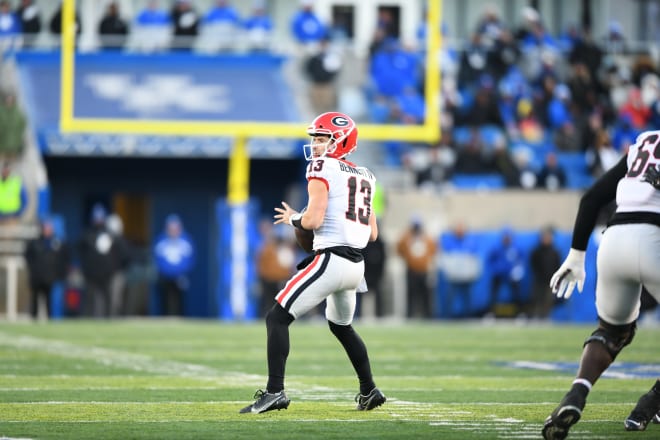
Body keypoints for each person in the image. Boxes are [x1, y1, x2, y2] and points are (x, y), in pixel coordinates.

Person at [240, 112, 386, 414]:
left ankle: (274, 391)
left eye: (322, 138)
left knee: (276, 317)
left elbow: (314, 220)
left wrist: (295, 217)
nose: (316, 145)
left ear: (340, 141)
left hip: (332, 261)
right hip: (355, 268)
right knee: (342, 327)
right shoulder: (367, 176)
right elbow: (372, 234)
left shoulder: (322, 167)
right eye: (315, 139)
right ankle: (369, 390)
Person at [542, 129, 660, 439]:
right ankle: (651, 403)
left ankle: (576, 394)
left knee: (611, 333)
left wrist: (576, 255)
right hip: (655, 238)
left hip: (615, 239)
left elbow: (592, 197)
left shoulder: (645, 141)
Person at [24, 217, 71, 320]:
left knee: (48, 301)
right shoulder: (35, 242)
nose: (48, 230)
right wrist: (33, 269)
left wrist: (58, 273)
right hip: (36, 277)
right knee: (35, 300)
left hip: (48, 277)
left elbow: (64, 258)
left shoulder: (56, 242)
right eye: (46, 228)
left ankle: (49, 320)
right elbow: (28, 257)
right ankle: (34, 319)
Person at [77, 204, 118, 318]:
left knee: (108, 299)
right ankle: (87, 320)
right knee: (89, 299)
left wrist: (113, 268)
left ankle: (109, 321)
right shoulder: (87, 235)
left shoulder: (110, 235)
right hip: (91, 274)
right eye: (96, 218)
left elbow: (118, 253)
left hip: (106, 274)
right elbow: (81, 252)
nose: (98, 221)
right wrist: (85, 268)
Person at [153, 213, 195, 316]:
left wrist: (180, 272)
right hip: (165, 277)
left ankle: (180, 322)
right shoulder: (161, 241)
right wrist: (166, 272)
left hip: (180, 277)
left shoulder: (185, 241)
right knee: (165, 302)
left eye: (175, 227)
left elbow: (190, 260)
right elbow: (157, 259)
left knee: (180, 303)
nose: (173, 230)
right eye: (171, 227)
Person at [396, 216, 437, 319]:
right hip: (411, 270)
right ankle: (410, 315)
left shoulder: (427, 238)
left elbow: (432, 251)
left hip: (424, 270)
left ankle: (427, 315)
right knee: (410, 294)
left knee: (426, 295)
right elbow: (399, 249)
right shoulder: (406, 237)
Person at [256, 225, 296, 318]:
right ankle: (268, 318)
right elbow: (261, 266)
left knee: (280, 301)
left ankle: (279, 318)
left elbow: (288, 266)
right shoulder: (266, 249)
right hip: (268, 279)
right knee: (269, 301)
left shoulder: (283, 250)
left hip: (280, 279)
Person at [486, 227, 526, 317]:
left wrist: (518, 270)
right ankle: (490, 313)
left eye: (508, 237)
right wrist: (495, 270)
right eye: (505, 237)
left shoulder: (516, 248)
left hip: (511, 275)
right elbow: (489, 261)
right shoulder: (496, 248)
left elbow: (521, 261)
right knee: (493, 294)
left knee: (517, 294)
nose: (507, 239)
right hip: (498, 275)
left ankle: (520, 314)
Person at [528, 225, 561, 320]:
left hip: (550, 281)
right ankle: (535, 317)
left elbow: (557, 266)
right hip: (539, 280)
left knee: (548, 300)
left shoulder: (554, 252)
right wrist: (539, 274)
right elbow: (533, 264)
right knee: (536, 298)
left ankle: (546, 317)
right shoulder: (536, 252)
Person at [0, 92, 27, 159]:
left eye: (11, 100)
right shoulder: (1, 111)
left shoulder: (17, 112)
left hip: (14, 143)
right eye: (8, 100)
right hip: (2, 143)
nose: (9, 102)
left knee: (12, 162)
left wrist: (17, 134)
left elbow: (22, 123)